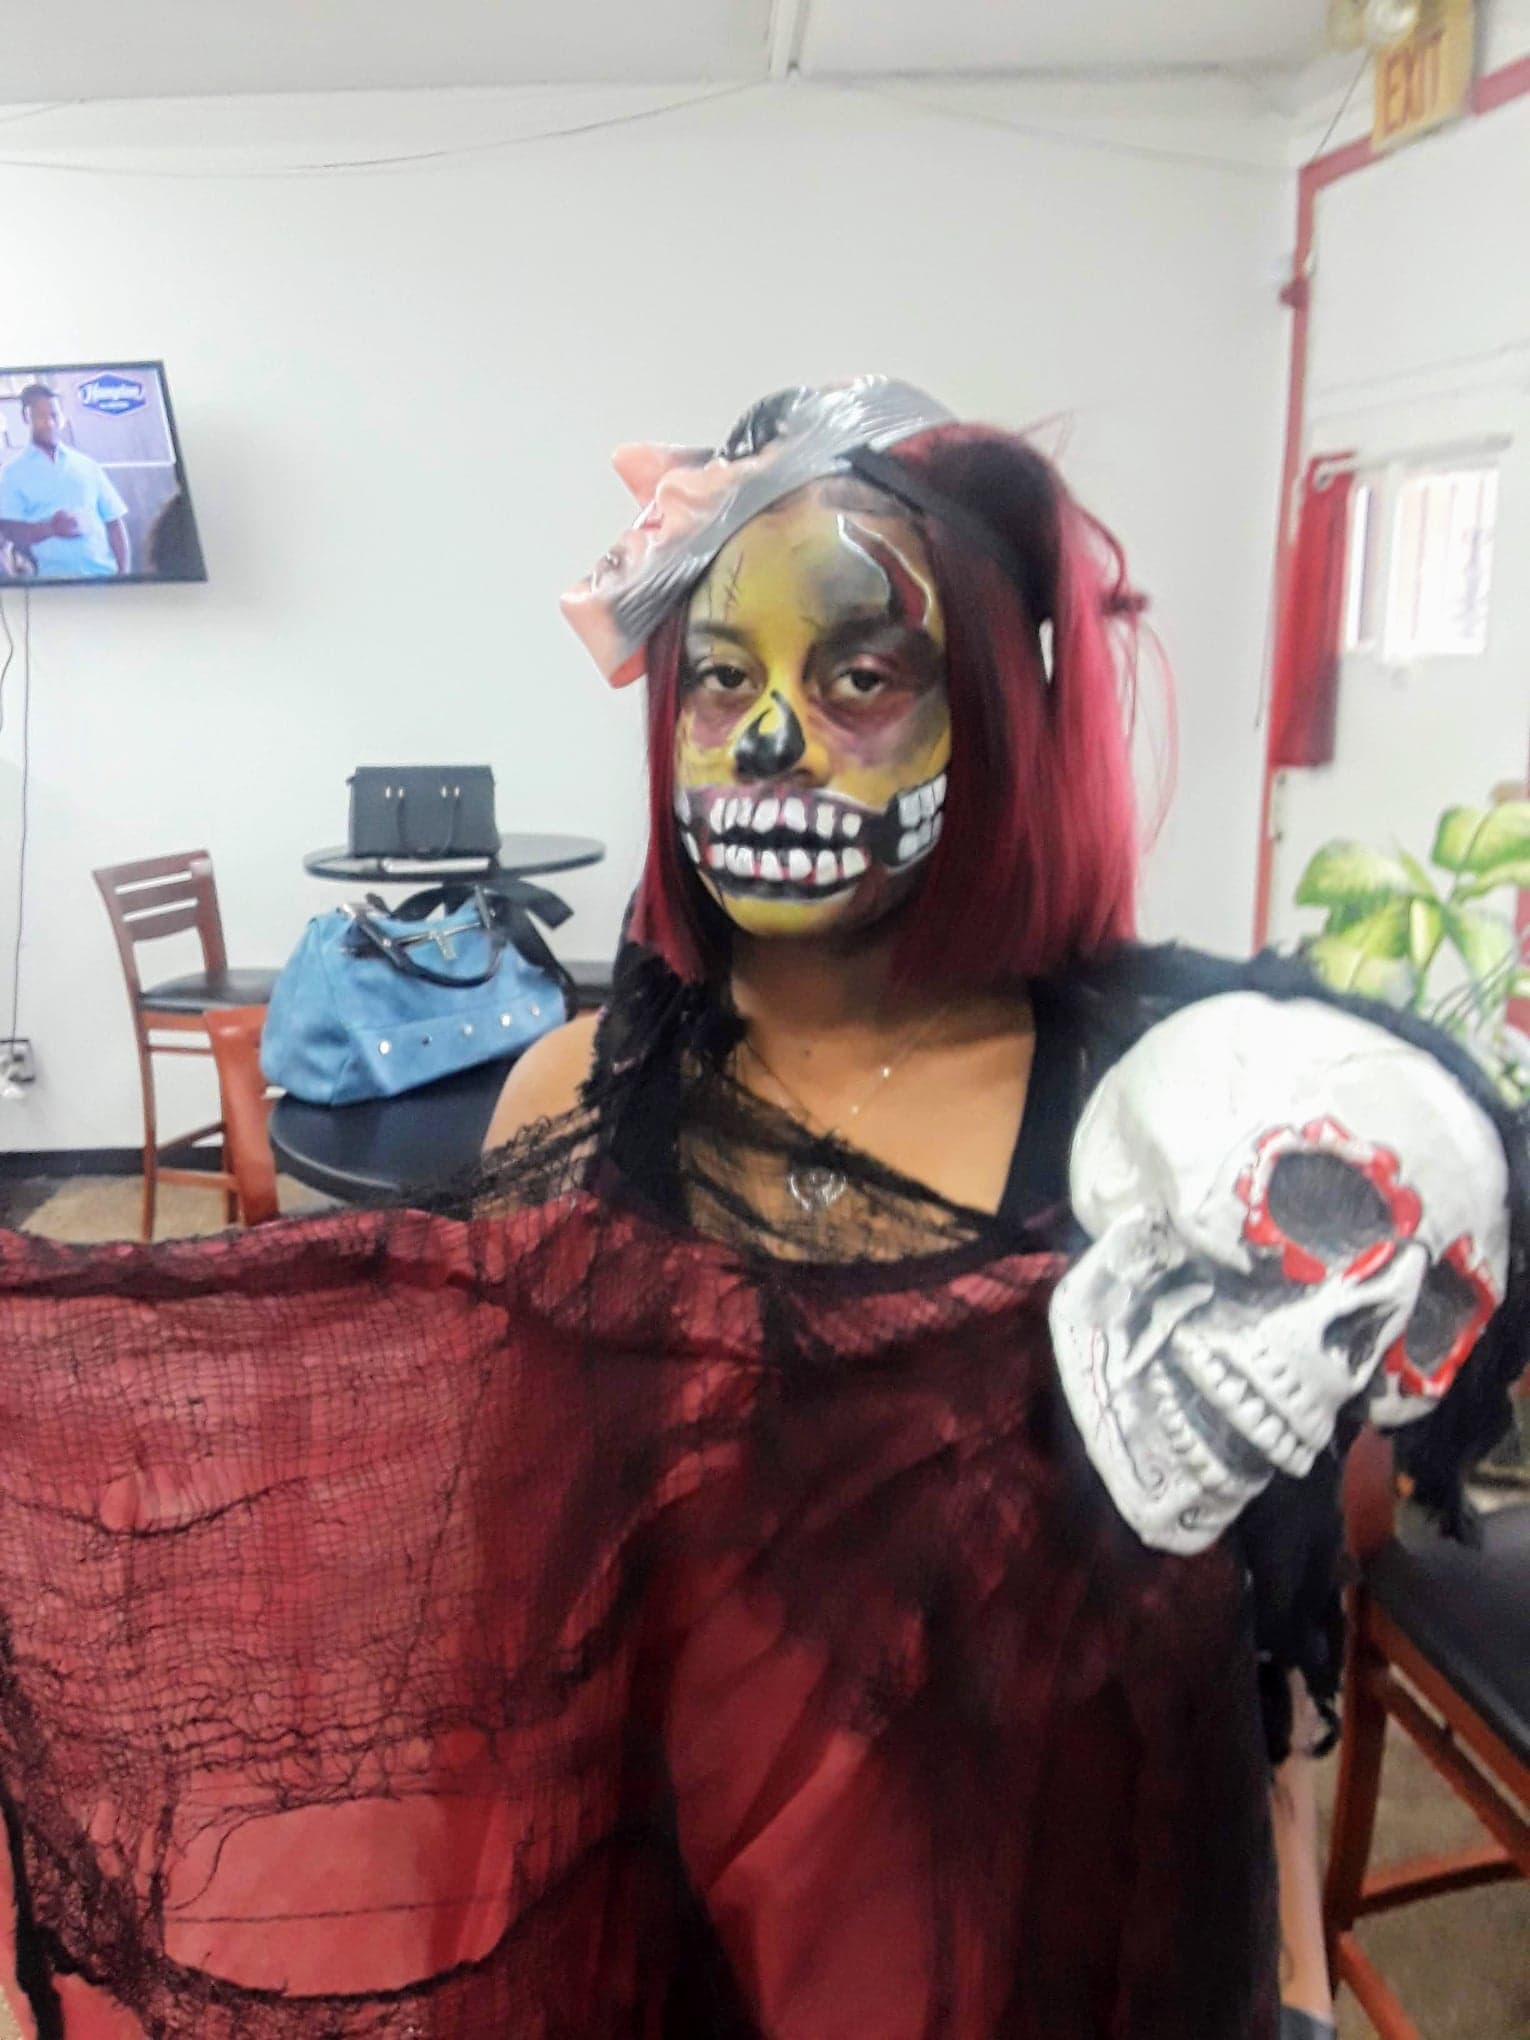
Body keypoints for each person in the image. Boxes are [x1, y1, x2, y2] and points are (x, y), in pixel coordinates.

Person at [0, 380, 1521, 2038]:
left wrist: (1289, 1977)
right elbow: (514, 1608)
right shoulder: (571, 1102)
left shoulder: (1157, 1121)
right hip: (690, 1934)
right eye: (721, 676)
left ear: (990, 710)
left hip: (1075, 1940)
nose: (767, 738)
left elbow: (1256, 1632)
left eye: (861, 675)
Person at [0, 383, 131, 578]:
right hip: (54, 585)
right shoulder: (12, 473)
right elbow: (10, 531)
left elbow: (114, 523)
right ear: (26, 418)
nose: (49, 423)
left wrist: (124, 576)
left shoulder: (87, 465)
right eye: (41, 416)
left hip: (106, 578)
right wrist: (51, 529)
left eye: (54, 415)